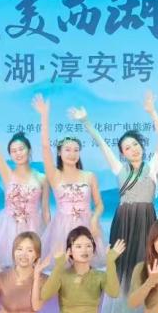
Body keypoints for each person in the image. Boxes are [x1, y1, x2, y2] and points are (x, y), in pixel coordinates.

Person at [73, 91, 158, 313]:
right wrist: (86, 122)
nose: (132, 149)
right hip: (124, 223)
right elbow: (101, 143)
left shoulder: (154, 167)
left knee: (145, 269)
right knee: (124, 270)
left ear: (141, 147)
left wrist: (152, 112)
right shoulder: (119, 169)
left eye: (135, 145)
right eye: (127, 148)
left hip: (147, 222)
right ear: (123, 153)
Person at [0, 96, 50, 267]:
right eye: (13, 151)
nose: (18, 153)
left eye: (21, 149)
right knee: (8, 270)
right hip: (7, 228)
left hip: (34, 228)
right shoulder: (7, 174)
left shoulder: (42, 178)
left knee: (32, 268)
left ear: (29, 150)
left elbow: (45, 211)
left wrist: (49, 237)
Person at [34, 95, 106, 269]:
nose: (72, 154)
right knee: (64, 268)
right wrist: (44, 116)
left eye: (76, 150)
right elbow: (45, 147)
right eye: (67, 150)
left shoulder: (89, 176)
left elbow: (99, 205)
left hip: (88, 225)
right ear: (59, 152)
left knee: (87, 269)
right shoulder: (54, 175)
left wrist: (95, 218)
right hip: (61, 228)